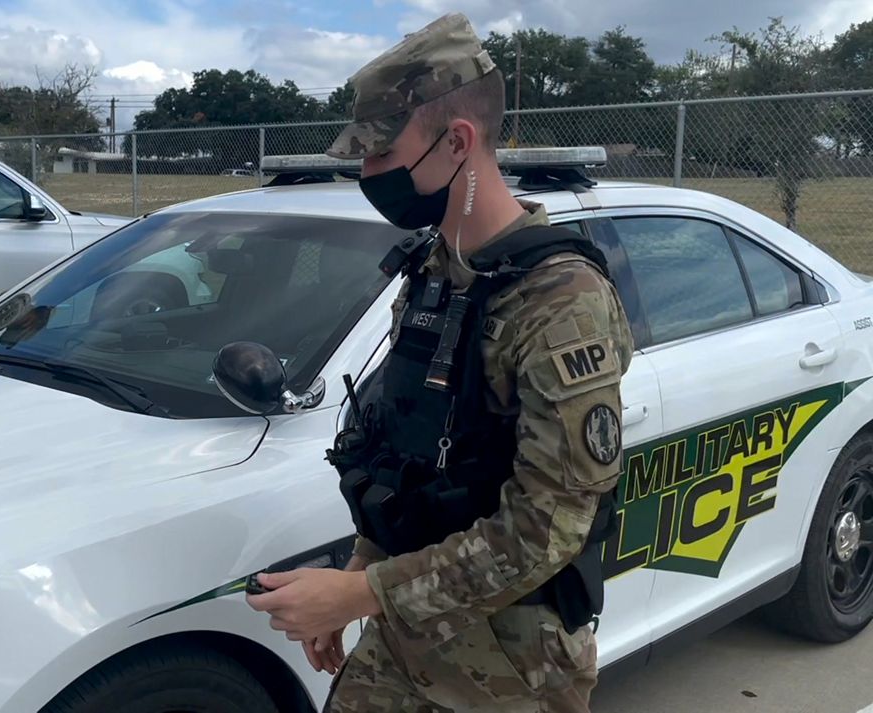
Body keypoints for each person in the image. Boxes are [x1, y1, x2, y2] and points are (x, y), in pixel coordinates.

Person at [245, 12, 634, 713]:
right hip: (408, 635)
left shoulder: (560, 298)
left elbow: (547, 526)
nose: (366, 173)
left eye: (380, 153)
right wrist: (361, 570)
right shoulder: (434, 270)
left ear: (458, 142)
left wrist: (360, 591)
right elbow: (406, 448)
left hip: (515, 667)